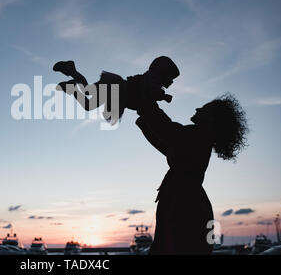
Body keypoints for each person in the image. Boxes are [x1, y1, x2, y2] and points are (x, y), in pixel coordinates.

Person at [135, 93, 248, 254]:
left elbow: (168, 132)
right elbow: (166, 144)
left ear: (212, 119)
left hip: (184, 203)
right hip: (187, 201)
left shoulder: (198, 135)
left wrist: (146, 102)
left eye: (204, 108)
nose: (197, 108)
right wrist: (144, 113)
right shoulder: (199, 140)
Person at [53, 56, 179, 124]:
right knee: (88, 94)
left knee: (88, 102)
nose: (170, 82)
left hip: (117, 94)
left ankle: (72, 81)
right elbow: (149, 93)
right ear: (161, 74)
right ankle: (72, 74)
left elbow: (151, 94)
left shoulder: (151, 84)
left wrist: (163, 96)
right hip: (117, 89)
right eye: (169, 78)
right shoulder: (150, 83)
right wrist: (163, 96)